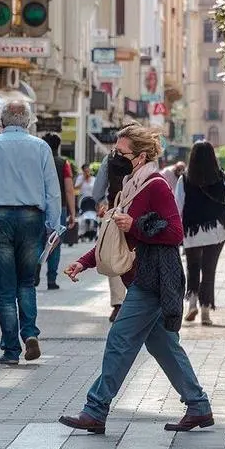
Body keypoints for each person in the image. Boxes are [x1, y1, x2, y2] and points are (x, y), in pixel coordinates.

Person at [60, 124, 212, 434]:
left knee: (120, 340)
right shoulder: (130, 186)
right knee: (164, 347)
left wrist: (136, 225)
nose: (114, 157)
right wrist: (83, 261)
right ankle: (198, 406)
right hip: (141, 276)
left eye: (120, 152)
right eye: (114, 151)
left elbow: (174, 233)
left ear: (140, 157)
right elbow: (116, 238)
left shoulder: (155, 185)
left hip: (153, 279)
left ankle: (96, 410)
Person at [0, 101, 61, 365]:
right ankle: (29, 333)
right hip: (32, 217)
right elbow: (52, 190)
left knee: (5, 288)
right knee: (26, 282)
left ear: (2, 122)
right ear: (28, 123)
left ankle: (10, 350)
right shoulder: (41, 148)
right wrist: (54, 226)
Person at [175, 142, 225, 325]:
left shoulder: (184, 179)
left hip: (191, 231)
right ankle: (206, 311)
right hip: (216, 231)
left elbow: (177, 206)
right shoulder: (221, 177)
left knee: (192, 267)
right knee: (209, 269)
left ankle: (192, 305)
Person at [92, 122, 142, 321]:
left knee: (113, 253)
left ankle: (119, 303)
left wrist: (101, 203)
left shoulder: (109, 159)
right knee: (136, 255)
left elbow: (97, 192)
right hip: (140, 213)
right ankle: (137, 300)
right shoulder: (144, 160)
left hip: (116, 210)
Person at [38, 133, 76, 290]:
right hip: (59, 207)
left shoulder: (37, 162)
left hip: (38, 206)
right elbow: (69, 189)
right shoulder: (63, 163)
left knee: (36, 240)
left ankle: (34, 270)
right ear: (58, 146)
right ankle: (51, 279)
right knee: (55, 242)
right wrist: (72, 213)